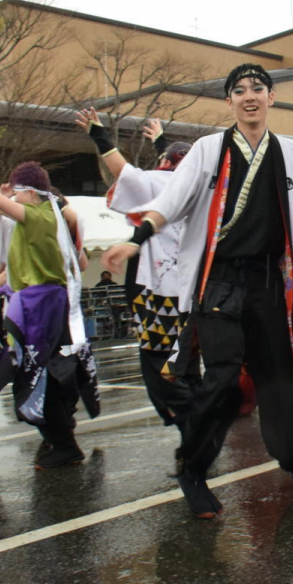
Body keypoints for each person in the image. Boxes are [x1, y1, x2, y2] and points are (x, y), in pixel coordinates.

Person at [102, 62, 293, 518]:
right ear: (229, 101)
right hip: (219, 280)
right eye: (239, 90)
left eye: (258, 88)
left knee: (279, 381)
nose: (249, 96)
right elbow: (169, 202)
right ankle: (193, 467)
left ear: (271, 98)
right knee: (223, 375)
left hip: (271, 282)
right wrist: (135, 240)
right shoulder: (209, 150)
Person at [0, 143, 99, 469]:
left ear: (30, 192)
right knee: (34, 376)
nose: (12, 197)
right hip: (33, 304)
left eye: (17, 192)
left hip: (42, 306)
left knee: (37, 376)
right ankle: (59, 439)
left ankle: (63, 442)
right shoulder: (31, 223)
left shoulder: (39, 217)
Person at [77, 108, 196, 435]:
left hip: (159, 288)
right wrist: (162, 143)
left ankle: (192, 420)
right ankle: (195, 429)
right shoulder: (203, 188)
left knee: (156, 362)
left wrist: (99, 136)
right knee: (186, 362)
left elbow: (125, 171)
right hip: (193, 290)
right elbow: (176, 170)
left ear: (165, 165)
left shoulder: (162, 181)